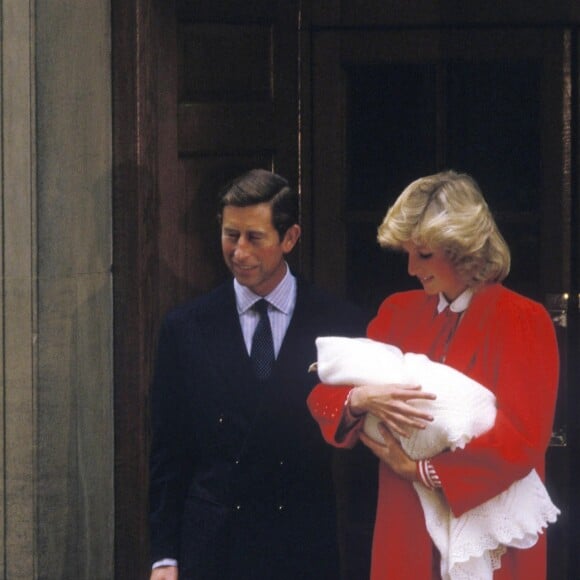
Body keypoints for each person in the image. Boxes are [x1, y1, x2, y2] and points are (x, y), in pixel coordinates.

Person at [307, 170, 559, 579]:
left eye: (423, 255)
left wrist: (423, 470)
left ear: (463, 249)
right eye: (407, 253)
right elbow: (322, 396)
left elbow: (524, 439)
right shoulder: (397, 312)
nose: (409, 268)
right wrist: (359, 401)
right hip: (404, 529)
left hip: (495, 544)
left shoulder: (524, 319)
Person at [148, 168, 368, 580]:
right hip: (213, 548)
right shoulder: (185, 328)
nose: (240, 251)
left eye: (254, 237)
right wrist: (164, 556)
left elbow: (362, 455)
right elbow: (168, 453)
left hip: (301, 547)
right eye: (231, 235)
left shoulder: (340, 323)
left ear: (290, 238)